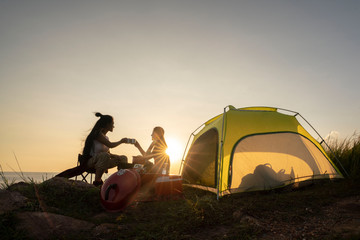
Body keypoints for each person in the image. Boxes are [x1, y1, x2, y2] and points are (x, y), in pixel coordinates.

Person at [82, 112, 135, 186]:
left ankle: (120, 181)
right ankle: (97, 182)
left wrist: (115, 156)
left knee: (123, 158)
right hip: (91, 162)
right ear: (107, 124)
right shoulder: (97, 134)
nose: (113, 126)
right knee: (104, 155)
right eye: (112, 124)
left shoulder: (106, 137)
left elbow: (108, 153)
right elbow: (110, 145)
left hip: (103, 161)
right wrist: (121, 141)